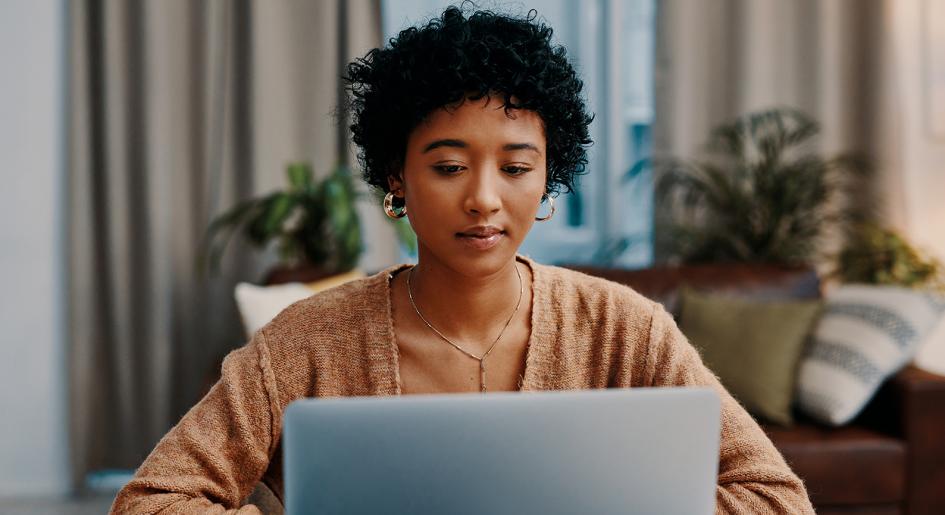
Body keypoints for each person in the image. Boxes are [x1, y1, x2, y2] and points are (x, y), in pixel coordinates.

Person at [111, 6, 815, 514]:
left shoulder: (624, 328)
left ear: (548, 178)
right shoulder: (305, 341)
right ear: (397, 177)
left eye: (515, 166)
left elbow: (775, 498)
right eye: (448, 166)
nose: (483, 199)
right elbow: (151, 500)